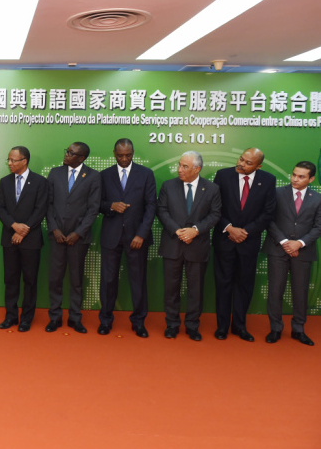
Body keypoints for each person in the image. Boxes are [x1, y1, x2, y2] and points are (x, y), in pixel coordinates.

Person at [212, 148, 276, 341]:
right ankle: (222, 327)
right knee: (223, 284)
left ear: (259, 166)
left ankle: (239, 326)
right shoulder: (223, 175)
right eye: (241, 159)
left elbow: (268, 212)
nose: (241, 164)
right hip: (225, 239)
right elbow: (214, 207)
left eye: (248, 163)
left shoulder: (268, 180)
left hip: (249, 242)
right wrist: (230, 228)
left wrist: (245, 231)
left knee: (244, 285)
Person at [156, 151, 221, 341]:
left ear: (197, 169)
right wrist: (178, 231)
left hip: (197, 245)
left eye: (185, 166)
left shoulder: (212, 189)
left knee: (196, 290)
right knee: (171, 288)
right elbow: (162, 211)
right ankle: (172, 324)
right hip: (173, 244)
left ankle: (192, 326)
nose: (179, 169)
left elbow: (215, 214)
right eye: (179, 164)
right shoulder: (168, 186)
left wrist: (195, 230)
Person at [98, 139, 156, 337]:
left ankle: (138, 322)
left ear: (133, 153)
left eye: (128, 155)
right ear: (114, 153)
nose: (124, 159)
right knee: (108, 280)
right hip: (111, 236)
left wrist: (141, 234)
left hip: (136, 237)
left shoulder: (146, 174)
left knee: (138, 281)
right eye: (120, 155)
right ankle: (105, 320)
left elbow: (151, 206)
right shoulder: (104, 175)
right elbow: (97, 203)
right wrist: (111, 206)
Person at [263, 161, 321, 346]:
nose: (295, 179)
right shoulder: (276, 193)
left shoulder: (318, 198)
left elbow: (318, 226)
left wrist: (299, 243)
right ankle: (275, 328)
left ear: (311, 179)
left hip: (303, 252)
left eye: (301, 176)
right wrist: (285, 242)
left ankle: (298, 329)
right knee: (275, 290)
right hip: (277, 249)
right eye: (294, 174)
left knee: (300, 291)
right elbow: (268, 220)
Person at [45, 142, 101, 333]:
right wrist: (54, 229)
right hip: (57, 237)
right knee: (55, 279)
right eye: (67, 151)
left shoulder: (93, 176)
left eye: (71, 153)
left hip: (78, 238)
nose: (66, 155)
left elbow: (93, 209)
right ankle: (55, 317)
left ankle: (75, 318)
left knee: (76, 280)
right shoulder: (55, 173)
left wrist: (78, 233)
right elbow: (48, 204)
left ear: (81, 158)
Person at [0, 146, 48, 332]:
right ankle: (10, 316)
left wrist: (23, 230)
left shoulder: (40, 182)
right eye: (8, 160)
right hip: (9, 238)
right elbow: (0, 208)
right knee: (10, 279)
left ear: (24, 161)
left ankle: (26, 318)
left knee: (30, 281)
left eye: (13, 160)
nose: (9, 163)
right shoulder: (5, 182)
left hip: (31, 240)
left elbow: (41, 209)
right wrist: (14, 226)